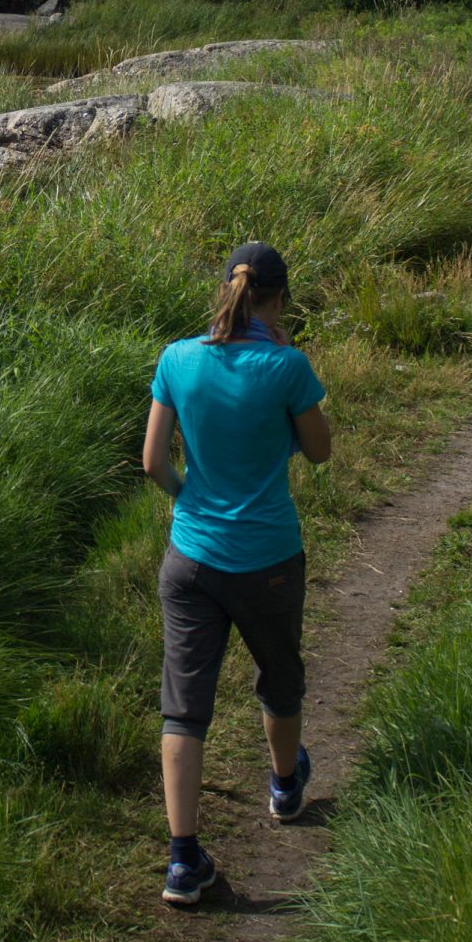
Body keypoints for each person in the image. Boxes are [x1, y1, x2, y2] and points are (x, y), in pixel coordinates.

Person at [142, 241, 331, 907]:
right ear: (278, 299)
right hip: (266, 558)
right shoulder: (285, 366)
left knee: (183, 711)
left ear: (225, 289)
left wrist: (188, 497)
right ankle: (283, 786)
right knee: (279, 678)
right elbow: (320, 451)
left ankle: (182, 861)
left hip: (189, 558)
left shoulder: (176, 359)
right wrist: (286, 363)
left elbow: (152, 461)